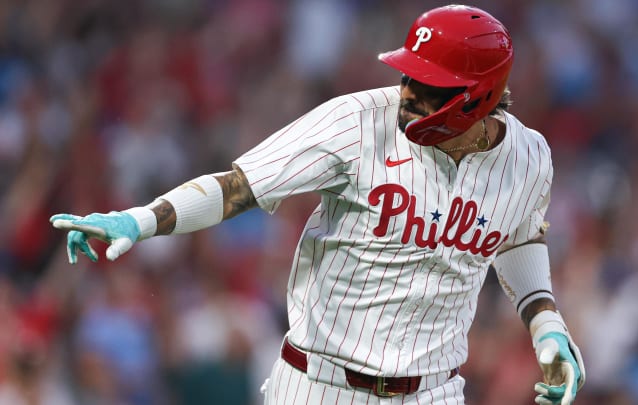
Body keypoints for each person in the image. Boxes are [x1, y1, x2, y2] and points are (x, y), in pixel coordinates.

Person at [50, 5, 585, 404]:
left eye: (429, 85)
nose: (406, 93)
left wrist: (547, 327)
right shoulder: (357, 122)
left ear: (481, 95)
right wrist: (139, 220)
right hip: (320, 384)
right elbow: (239, 187)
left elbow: (519, 235)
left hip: (434, 393)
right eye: (408, 75)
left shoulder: (529, 157)